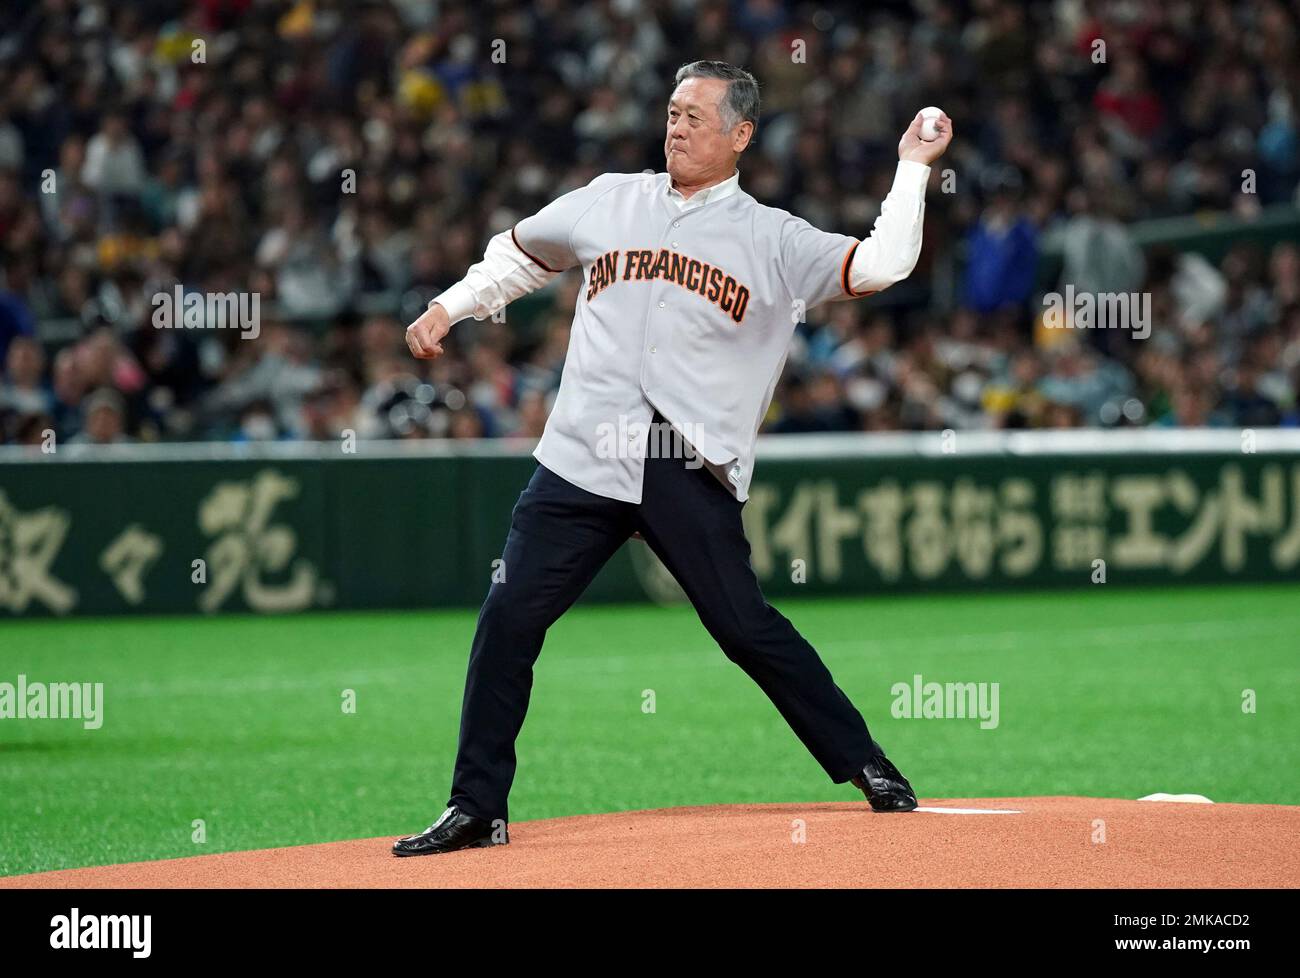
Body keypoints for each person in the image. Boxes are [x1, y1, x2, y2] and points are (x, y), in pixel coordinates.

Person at [394, 61, 952, 856]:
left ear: (741, 134)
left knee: (744, 629)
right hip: (582, 453)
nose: (678, 125)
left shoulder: (771, 237)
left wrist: (910, 168)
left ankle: (863, 760)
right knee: (508, 615)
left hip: (681, 462)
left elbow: (883, 264)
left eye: (697, 114)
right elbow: (523, 253)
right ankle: (476, 805)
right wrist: (451, 305)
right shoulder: (609, 199)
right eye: (672, 110)